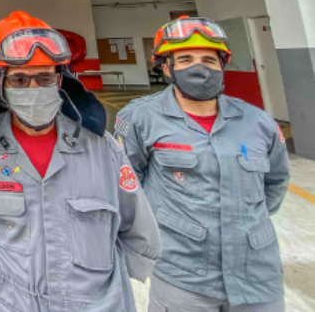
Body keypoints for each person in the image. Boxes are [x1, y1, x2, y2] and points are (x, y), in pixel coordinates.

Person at [0, 11, 161, 312]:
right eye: (19, 79)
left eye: (44, 77)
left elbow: (138, 229)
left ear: (60, 80)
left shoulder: (102, 147)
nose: (34, 89)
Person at [116, 17, 290, 311]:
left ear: (222, 64)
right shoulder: (139, 119)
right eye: (185, 59)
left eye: (209, 59)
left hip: (258, 277)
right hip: (182, 277)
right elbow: (127, 190)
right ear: (167, 67)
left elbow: (274, 185)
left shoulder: (258, 121)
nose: (200, 67)